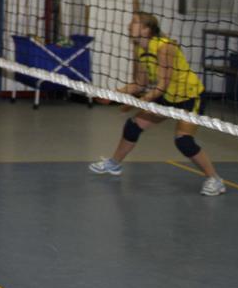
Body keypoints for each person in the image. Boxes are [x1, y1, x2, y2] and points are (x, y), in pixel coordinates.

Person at [89, 12, 226, 196]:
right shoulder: (140, 49)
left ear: (146, 29)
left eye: (134, 22)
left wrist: (139, 102)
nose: (129, 25)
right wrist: (112, 95)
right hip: (168, 97)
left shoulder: (164, 47)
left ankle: (215, 180)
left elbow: (162, 85)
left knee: (184, 141)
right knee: (133, 126)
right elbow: (140, 83)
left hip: (189, 96)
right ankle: (114, 164)